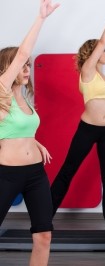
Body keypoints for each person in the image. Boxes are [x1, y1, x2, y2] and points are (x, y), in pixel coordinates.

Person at [50, 0, 105, 230]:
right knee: (68, 171)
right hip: (88, 129)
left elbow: (104, 99)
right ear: (94, 54)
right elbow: (102, 41)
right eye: (103, 51)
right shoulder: (87, 72)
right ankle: (45, 217)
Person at [0, 0, 59, 265]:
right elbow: (23, 52)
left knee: (44, 235)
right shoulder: (1, 94)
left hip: (36, 173)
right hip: (7, 175)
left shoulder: (24, 99)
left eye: (27, 67)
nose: (26, 69)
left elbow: (20, 131)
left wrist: (35, 143)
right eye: (22, 66)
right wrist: (41, 18)